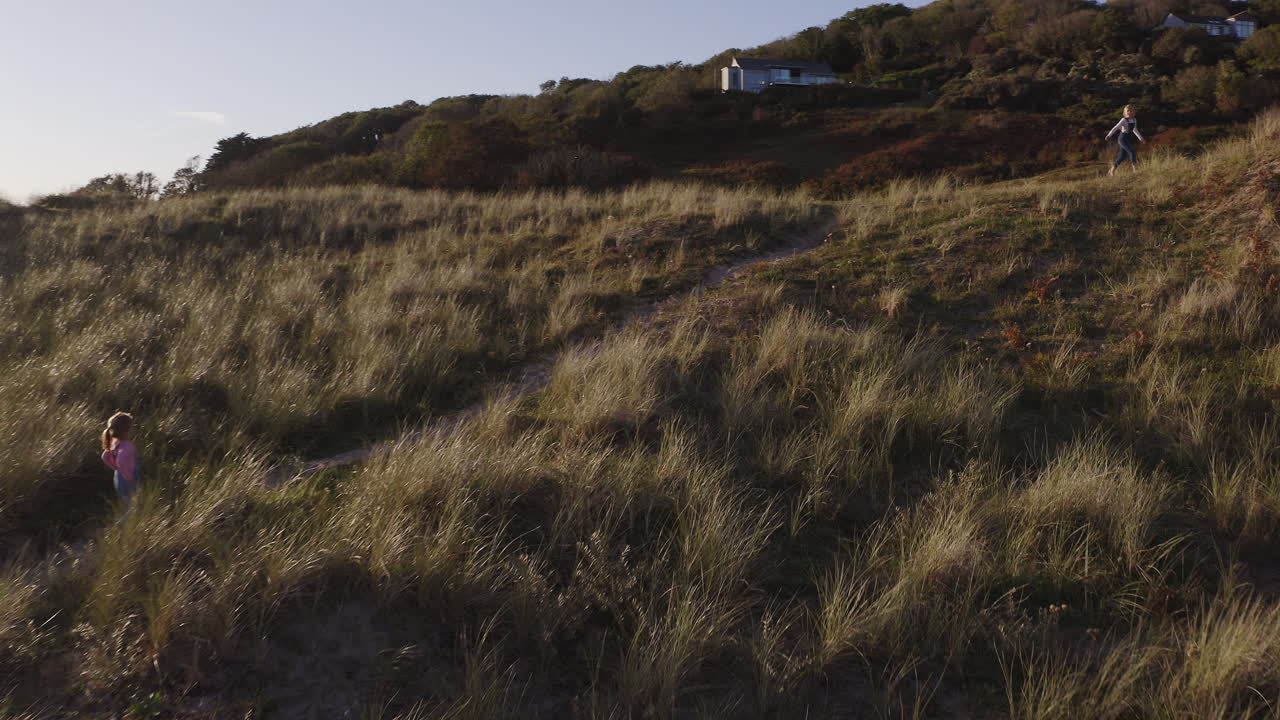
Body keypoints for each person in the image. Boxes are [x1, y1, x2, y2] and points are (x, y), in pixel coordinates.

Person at [101, 411, 140, 511]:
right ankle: (123, 523)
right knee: (133, 505)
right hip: (128, 478)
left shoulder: (114, 444)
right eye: (132, 427)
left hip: (118, 478)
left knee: (127, 502)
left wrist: (116, 469)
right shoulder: (127, 446)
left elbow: (104, 456)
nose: (133, 429)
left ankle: (126, 521)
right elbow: (120, 461)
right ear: (127, 430)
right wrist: (128, 476)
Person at [1106, 105, 1145, 176]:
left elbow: (1135, 130)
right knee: (1132, 151)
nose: (1129, 112)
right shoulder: (1124, 120)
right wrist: (1109, 135)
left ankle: (1112, 170)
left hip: (1128, 138)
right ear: (1125, 112)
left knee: (1122, 156)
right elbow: (1115, 128)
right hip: (1122, 138)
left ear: (1134, 112)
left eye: (1131, 110)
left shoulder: (1134, 120)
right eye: (1127, 111)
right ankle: (1135, 170)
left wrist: (1141, 139)